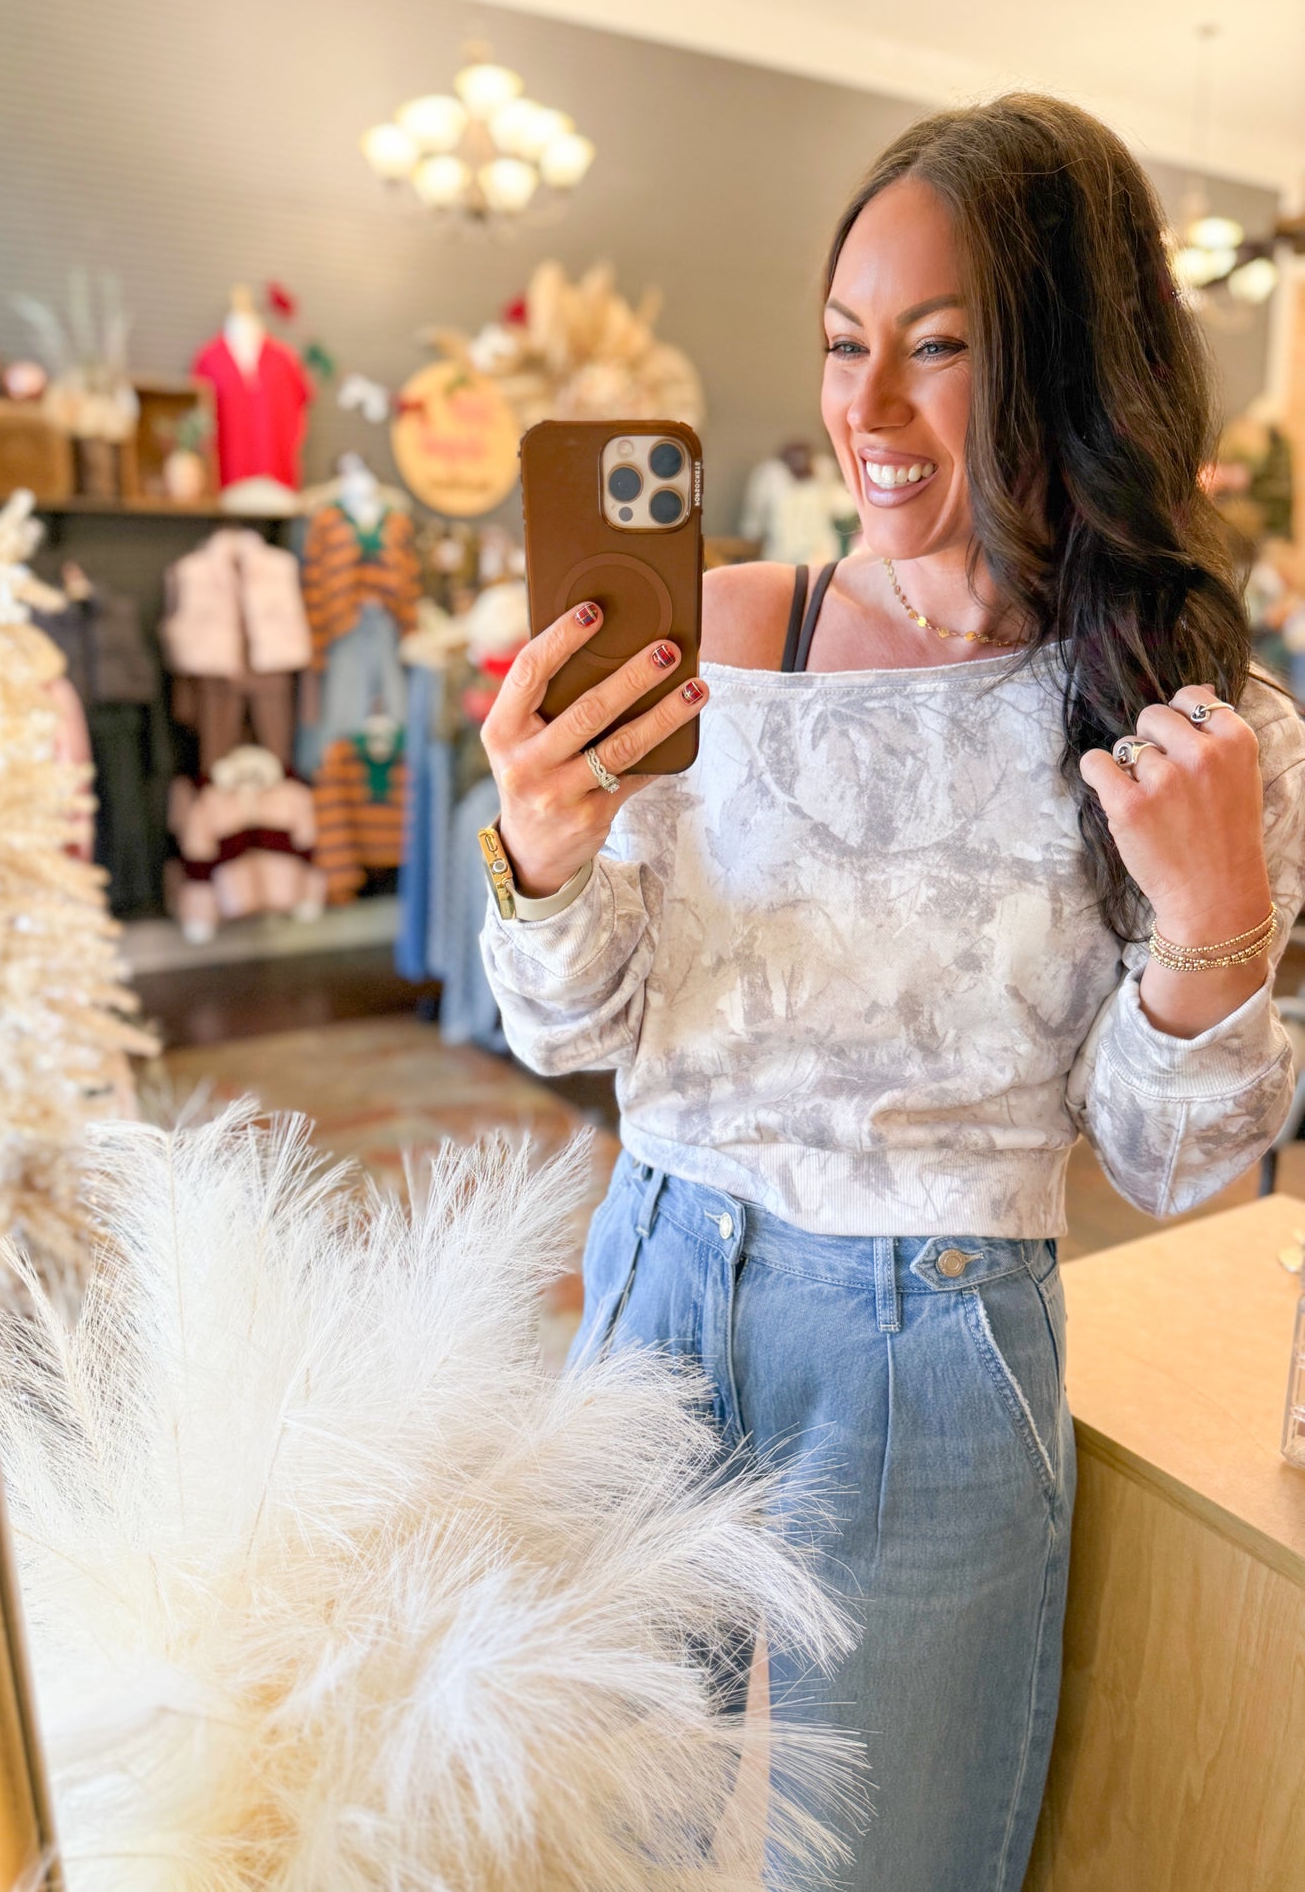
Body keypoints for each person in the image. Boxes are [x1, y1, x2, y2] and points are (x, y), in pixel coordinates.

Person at [477, 93, 1305, 1891]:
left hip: (936, 1350)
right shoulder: (719, 642)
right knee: (598, 1838)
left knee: (895, 1865)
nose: (864, 413)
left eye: (939, 352)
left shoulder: (1193, 726)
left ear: (1078, 372)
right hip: (654, 1279)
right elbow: (567, 1030)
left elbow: (1165, 1166)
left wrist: (1215, 923)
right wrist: (540, 854)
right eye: (845, 345)